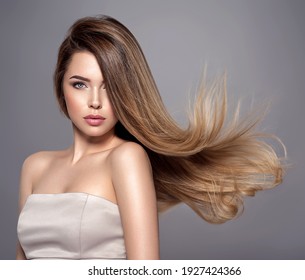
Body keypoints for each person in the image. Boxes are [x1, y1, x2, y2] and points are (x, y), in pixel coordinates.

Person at [16, 15, 285, 260]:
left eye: (110, 87)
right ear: (61, 88)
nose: (95, 101)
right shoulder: (35, 167)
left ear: (126, 93)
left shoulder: (126, 158)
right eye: (80, 84)